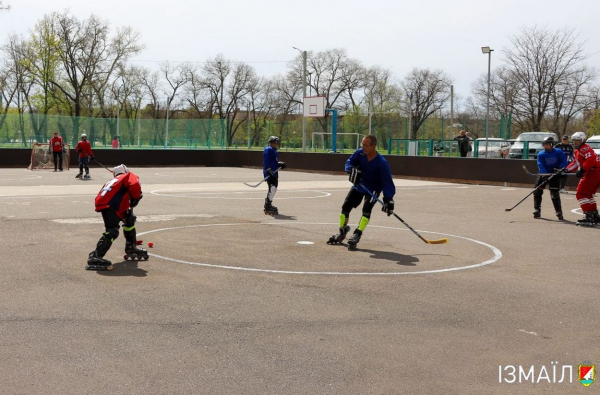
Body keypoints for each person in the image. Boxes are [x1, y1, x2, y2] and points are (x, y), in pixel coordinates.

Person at [327, 134, 396, 250]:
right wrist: (352, 169)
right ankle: (342, 231)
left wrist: (388, 199)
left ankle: (357, 234)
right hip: (359, 185)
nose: (363, 147)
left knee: (366, 210)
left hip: (373, 189)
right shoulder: (360, 153)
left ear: (373, 146)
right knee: (345, 206)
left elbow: (387, 181)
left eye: (366, 145)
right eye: (362, 144)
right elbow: (349, 163)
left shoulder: (381, 162)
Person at [86, 164, 147, 270]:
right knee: (112, 231)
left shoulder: (112, 181)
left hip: (108, 202)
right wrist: (136, 196)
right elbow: (135, 184)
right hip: (111, 204)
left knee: (129, 220)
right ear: (125, 170)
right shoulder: (128, 175)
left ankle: (131, 248)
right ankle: (95, 256)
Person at [564, 132, 600, 226]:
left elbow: (591, 160)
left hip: (593, 172)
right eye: (574, 141)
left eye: (577, 140)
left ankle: (589, 215)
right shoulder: (578, 151)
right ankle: (594, 214)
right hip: (594, 172)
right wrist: (566, 170)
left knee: (580, 194)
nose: (575, 142)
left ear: (583, 140)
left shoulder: (585, 148)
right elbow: (576, 164)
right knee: (588, 194)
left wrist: (583, 170)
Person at [533, 136, 567, 220]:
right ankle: (537, 210)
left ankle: (559, 212)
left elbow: (564, 162)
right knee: (537, 191)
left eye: (547, 144)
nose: (546, 146)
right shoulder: (541, 154)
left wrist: (560, 168)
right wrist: (544, 174)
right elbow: (540, 164)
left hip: (555, 174)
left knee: (554, 194)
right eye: (544, 144)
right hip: (543, 174)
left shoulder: (558, 152)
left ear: (552, 144)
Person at [263, 136, 286, 215]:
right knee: (272, 187)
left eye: (277, 143)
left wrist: (279, 164)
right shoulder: (268, 149)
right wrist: (268, 169)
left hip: (274, 172)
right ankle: (267, 206)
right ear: (271, 143)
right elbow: (267, 160)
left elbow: (274, 161)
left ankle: (269, 204)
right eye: (275, 143)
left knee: (274, 188)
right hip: (270, 172)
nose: (277, 144)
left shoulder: (274, 151)